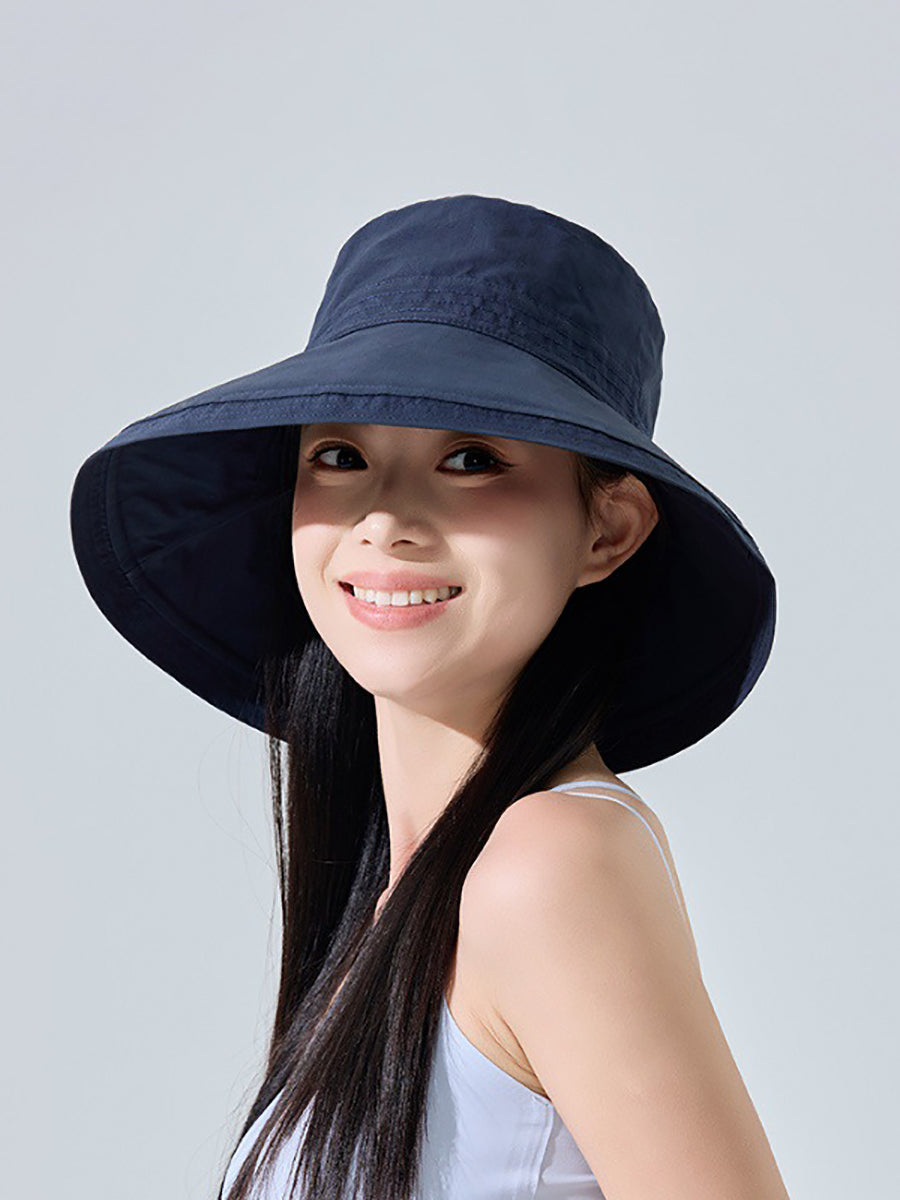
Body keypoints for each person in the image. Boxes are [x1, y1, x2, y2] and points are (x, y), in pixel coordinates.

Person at [69, 195, 789, 1199]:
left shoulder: (549, 863)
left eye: (471, 460)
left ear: (607, 531)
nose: (385, 520)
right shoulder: (400, 901)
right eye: (341, 457)